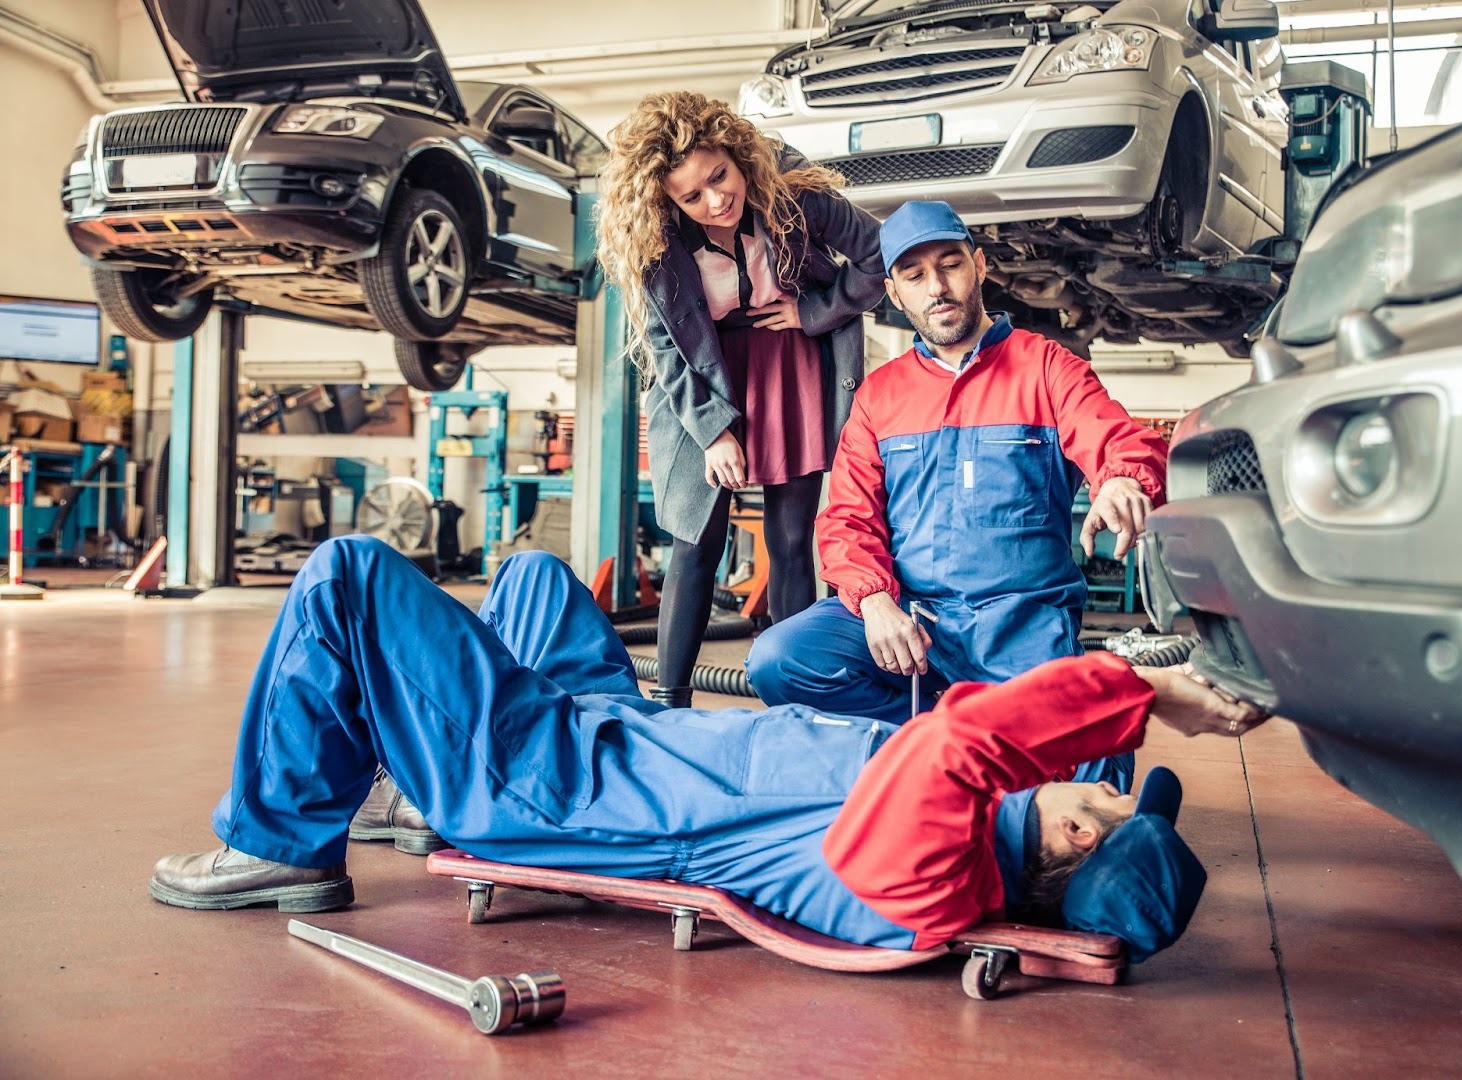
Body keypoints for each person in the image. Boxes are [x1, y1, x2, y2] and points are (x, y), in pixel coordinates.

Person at [150, 536, 1267, 958]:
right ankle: (413, 769)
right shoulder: (970, 820)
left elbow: (962, 743)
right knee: (539, 575)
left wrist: (1138, 692)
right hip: (623, 732)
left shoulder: (929, 880)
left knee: (348, 574)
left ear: (1074, 832)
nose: (1102, 783)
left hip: (557, 784)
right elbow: (964, 721)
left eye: (1117, 799)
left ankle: (283, 842)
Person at [746, 201, 1169, 791]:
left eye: (950, 266)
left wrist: (1122, 478)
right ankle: (945, 749)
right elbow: (847, 519)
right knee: (782, 659)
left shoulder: (1045, 366)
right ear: (894, 294)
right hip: (915, 625)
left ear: (980, 266)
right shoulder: (880, 396)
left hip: (1019, 629)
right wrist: (873, 602)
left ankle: (976, 752)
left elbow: (1118, 438)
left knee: (1087, 754)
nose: (937, 288)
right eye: (915, 277)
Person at [594, 92, 884, 708]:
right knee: (697, 540)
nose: (715, 200)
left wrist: (816, 309)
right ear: (666, 202)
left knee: (789, 538)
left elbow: (878, 252)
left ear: (739, 157)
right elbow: (665, 347)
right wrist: (711, 432)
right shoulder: (656, 242)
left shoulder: (792, 198)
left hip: (790, 360)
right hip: (703, 378)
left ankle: (796, 699)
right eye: (690, 195)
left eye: (719, 177)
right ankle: (668, 703)